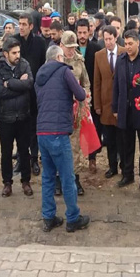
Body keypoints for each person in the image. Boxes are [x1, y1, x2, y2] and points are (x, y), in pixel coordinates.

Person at [35, 45, 90, 233]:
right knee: (67, 177)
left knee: (48, 177)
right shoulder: (64, 71)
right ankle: (73, 218)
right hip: (58, 131)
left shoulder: (39, 76)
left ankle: (49, 217)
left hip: (42, 132)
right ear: (59, 57)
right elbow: (81, 94)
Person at [113, 30, 140, 191]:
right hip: (125, 109)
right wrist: (115, 107)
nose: (128, 47)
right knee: (126, 144)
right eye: (126, 44)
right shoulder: (121, 60)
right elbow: (116, 86)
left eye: (131, 43)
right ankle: (127, 174)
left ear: (138, 43)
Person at [0, 38, 34, 197]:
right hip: (6, 117)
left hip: (24, 115)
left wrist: (9, 83)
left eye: (18, 52)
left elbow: (29, 84)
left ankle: (26, 181)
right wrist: (19, 84)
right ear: (5, 54)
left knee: (24, 150)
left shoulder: (24, 64)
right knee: (6, 152)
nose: (17, 55)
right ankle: (7, 183)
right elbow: (0, 92)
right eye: (14, 53)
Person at [14, 13, 47, 176]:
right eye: (19, 24)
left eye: (24, 24)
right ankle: (21, 158)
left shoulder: (40, 43)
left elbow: (44, 67)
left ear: (31, 26)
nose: (21, 27)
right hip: (17, 92)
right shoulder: (13, 41)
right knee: (20, 127)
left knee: (34, 126)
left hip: (35, 93)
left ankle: (34, 158)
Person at [59, 31, 91, 195]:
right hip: (60, 110)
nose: (71, 51)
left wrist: (86, 101)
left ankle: (75, 179)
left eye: (73, 47)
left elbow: (86, 83)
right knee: (59, 146)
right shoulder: (55, 61)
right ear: (61, 46)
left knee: (75, 147)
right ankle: (59, 180)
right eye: (68, 47)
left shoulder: (79, 60)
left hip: (76, 110)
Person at [94, 25, 126, 179]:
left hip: (121, 104)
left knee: (122, 139)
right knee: (110, 140)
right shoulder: (99, 55)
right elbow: (97, 82)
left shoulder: (124, 53)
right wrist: (97, 105)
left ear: (115, 38)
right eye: (105, 39)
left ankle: (124, 167)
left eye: (110, 39)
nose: (107, 42)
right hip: (106, 104)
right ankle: (112, 166)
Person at [76, 18, 103, 172]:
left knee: (93, 127)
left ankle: (93, 158)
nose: (82, 35)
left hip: (92, 93)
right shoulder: (73, 49)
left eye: (84, 32)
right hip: (76, 95)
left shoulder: (96, 48)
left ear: (89, 32)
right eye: (79, 32)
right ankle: (78, 159)